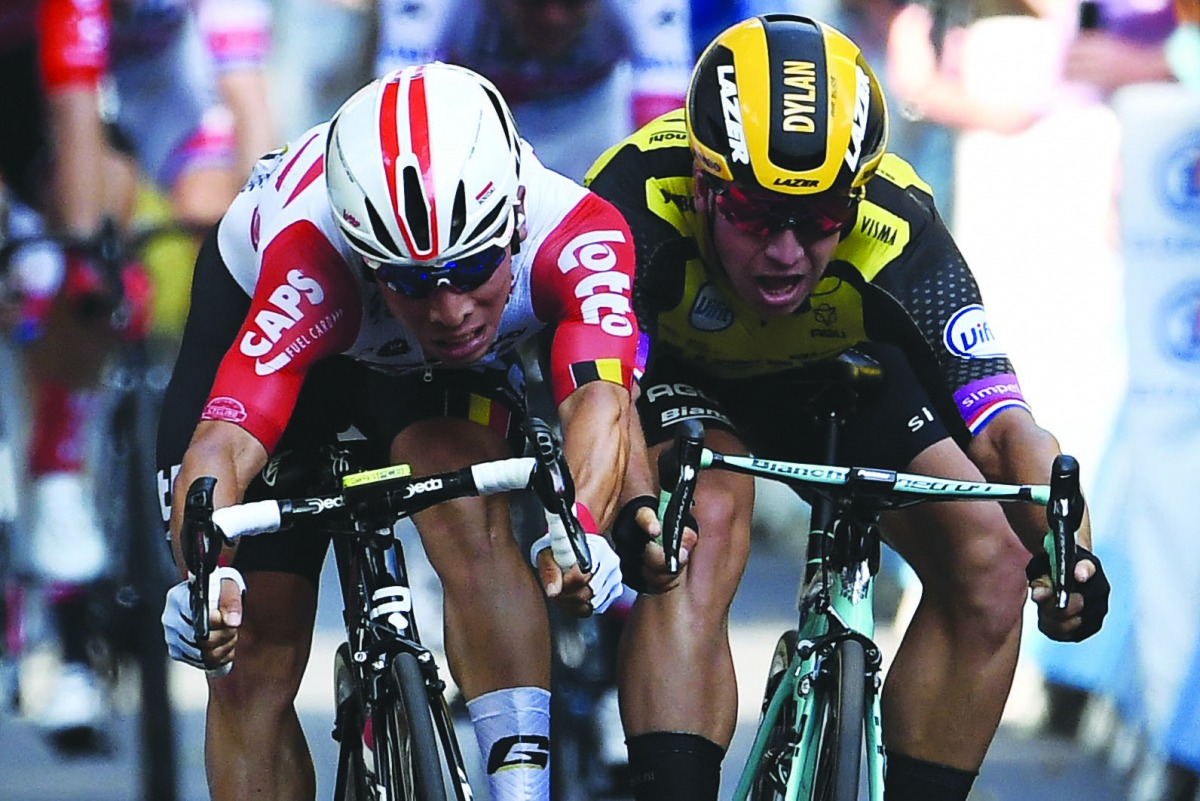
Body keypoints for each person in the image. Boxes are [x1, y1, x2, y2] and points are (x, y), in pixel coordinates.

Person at [583, 13, 1112, 801]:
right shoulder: (633, 197)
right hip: (688, 381)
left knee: (993, 561)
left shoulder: (900, 223)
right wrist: (632, 514)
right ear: (701, 185)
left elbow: (1006, 431)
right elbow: (606, 399)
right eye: (756, 216)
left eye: (822, 217)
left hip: (838, 376)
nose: (787, 251)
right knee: (704, 517)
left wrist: (1071, 557)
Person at [157, 62, 641, 801]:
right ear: (365, 255)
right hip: (286, 336)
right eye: (413, 281)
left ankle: (521, 789)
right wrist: (204, 571)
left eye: (474, 269)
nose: (450, 311)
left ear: (512, 221)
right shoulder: (312, 258)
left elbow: (601, 400)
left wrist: (579, 527)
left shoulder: (575, 232)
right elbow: (224, 444)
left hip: (419, 374)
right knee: (251, 647)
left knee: (471, 517)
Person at [0, 0, 241, 745]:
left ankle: (68, 495)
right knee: (46, 270)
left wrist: (89, 263)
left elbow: (243, 100)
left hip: (94, 97)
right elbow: (71, 100)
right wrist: (71, 255)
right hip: (28, 87)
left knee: (92, 255)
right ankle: (43, 583)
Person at [374, 0, 692, 181]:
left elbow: (664, 126)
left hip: (592, 118)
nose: (553, 18)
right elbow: (397, 112)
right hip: (478, 115)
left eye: (573, 2)